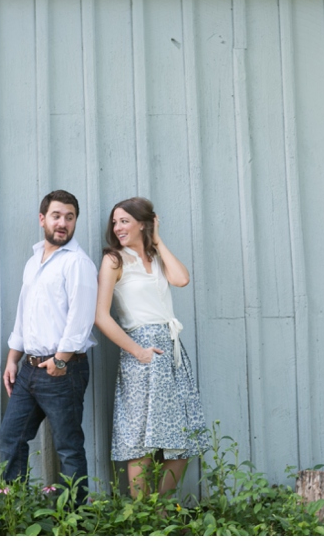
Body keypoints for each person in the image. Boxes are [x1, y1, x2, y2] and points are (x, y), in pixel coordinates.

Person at [94, 197, 210, 497]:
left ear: (143, 223)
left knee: (182, 439)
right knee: (141, 439)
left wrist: (157, 240)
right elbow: (101, 317)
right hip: (142, 351)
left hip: (171, 350)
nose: (118, 227)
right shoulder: (114, 260)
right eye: (115, 222)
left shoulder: (157, 258)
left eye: (125, 221)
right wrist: (137, 351)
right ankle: (140, 517)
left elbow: (181, 279)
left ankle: (160, 510)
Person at [0, 190, 98, 504]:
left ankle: (76, 518)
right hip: (29, 370)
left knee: (68, 446)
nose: (63, 223)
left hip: (62, 370)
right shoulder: (33, 262)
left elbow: (81, 320)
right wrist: (13, 358)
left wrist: (61, 360)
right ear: (42, 219)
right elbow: (23, 313)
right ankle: (15, 507)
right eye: (57, 216)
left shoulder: (78, 263)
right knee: (11, 438)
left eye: (70, 217)